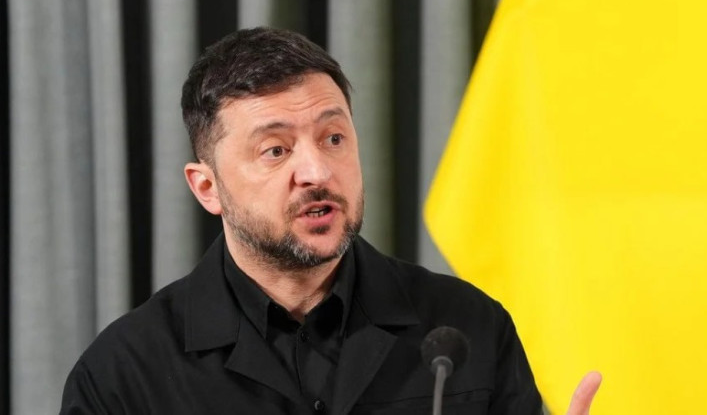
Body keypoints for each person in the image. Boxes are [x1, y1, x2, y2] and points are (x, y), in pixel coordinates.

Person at [60, 27, 600, 414]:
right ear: (208, 187)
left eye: (333, 138)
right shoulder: (124, 376)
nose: (317, 171)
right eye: (275, 150)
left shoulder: (465, 331)